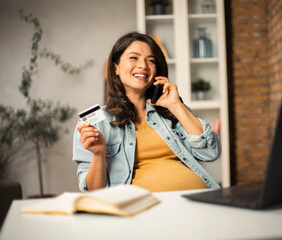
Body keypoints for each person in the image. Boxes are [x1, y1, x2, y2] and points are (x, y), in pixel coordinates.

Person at [73, 32, 221, 193]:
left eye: (150, 60)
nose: (143, 65)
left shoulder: (171, 111)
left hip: (199, 198)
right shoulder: (95, 124)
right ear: (116, 67)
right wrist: (99, 154)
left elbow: (210, 152)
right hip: (145, 210)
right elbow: (95, 192)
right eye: (133, 58)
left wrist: (176, 104)